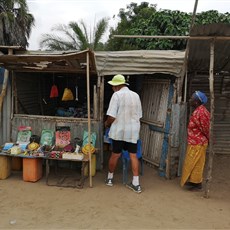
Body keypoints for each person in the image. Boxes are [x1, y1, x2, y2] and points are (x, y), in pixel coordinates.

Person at [104, 74, 143, 193]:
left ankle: (110, 179)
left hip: (119, 131)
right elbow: (139, 115)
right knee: (133, 155)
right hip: (132, 132)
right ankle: (136, 184)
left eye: (113, 86)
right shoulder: (136, 95)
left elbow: (111, 116)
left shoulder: (116, 95)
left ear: (117, 85)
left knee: (115, 154)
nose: (112, 88)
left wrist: (107, 124)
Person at [180, 91, 210, 191]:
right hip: (196, 142)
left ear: (196, 102)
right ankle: (195, 182)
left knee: (193, 163)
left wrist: (208, 139)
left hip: (198, 143)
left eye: (191, 99)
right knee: (197, 163)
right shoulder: (199, 110)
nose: (189, 100)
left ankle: (197, 183)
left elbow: (206, 128)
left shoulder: (201, 112)